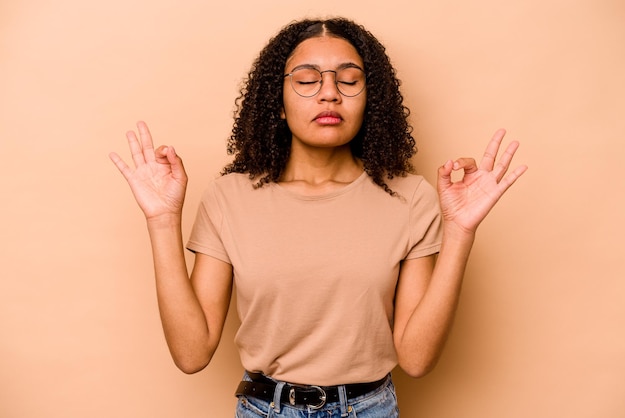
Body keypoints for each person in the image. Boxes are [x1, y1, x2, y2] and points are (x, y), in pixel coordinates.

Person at [109, 17, 526, 418]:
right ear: (278, 103)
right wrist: (163, 221)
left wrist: (460, 231)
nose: (330, 93)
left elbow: (416, 359)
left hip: (370, 410)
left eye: (348, 80)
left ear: (370, 101)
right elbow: (191, 352)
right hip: (264, 410)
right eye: (308, 80)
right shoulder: (229, 197)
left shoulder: (410, 196)